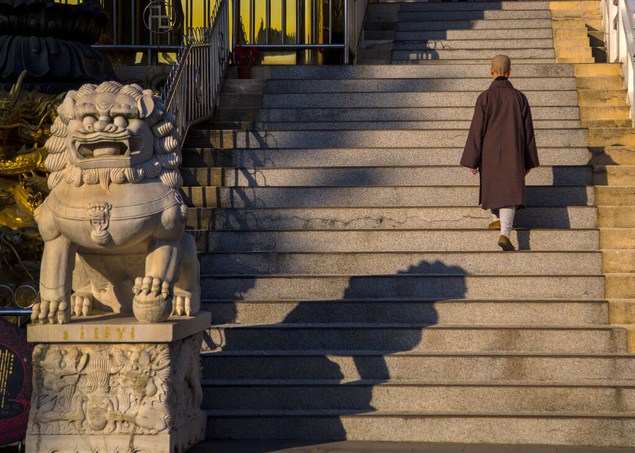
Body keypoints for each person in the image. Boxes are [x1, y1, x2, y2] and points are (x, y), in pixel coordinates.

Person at [460, 54, 540, 251]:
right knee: (510, 190)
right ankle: (505, 232)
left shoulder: (485, 97)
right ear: (510, 72)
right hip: (514, 151)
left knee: (493, 184)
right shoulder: (519, 97)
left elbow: (477, 129)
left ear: (491, 72)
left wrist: (473, 158)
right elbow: (528, 131)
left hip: (489, 152)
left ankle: (495, 217)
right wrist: (528, 161)